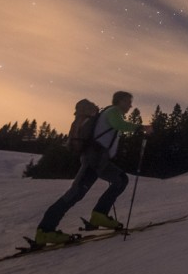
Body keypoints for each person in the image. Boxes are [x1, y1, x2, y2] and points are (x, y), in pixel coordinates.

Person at [35, 91, 152, 245]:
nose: (130, 105)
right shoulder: (113, 111)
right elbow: (119, 125)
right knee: (75, 193)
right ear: (120, 101)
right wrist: (141, 128)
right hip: (94, 159)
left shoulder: (110, 113)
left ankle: (99, 215)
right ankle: (45, 230)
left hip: (100, 161)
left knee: (121, 180)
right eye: (128, 102)